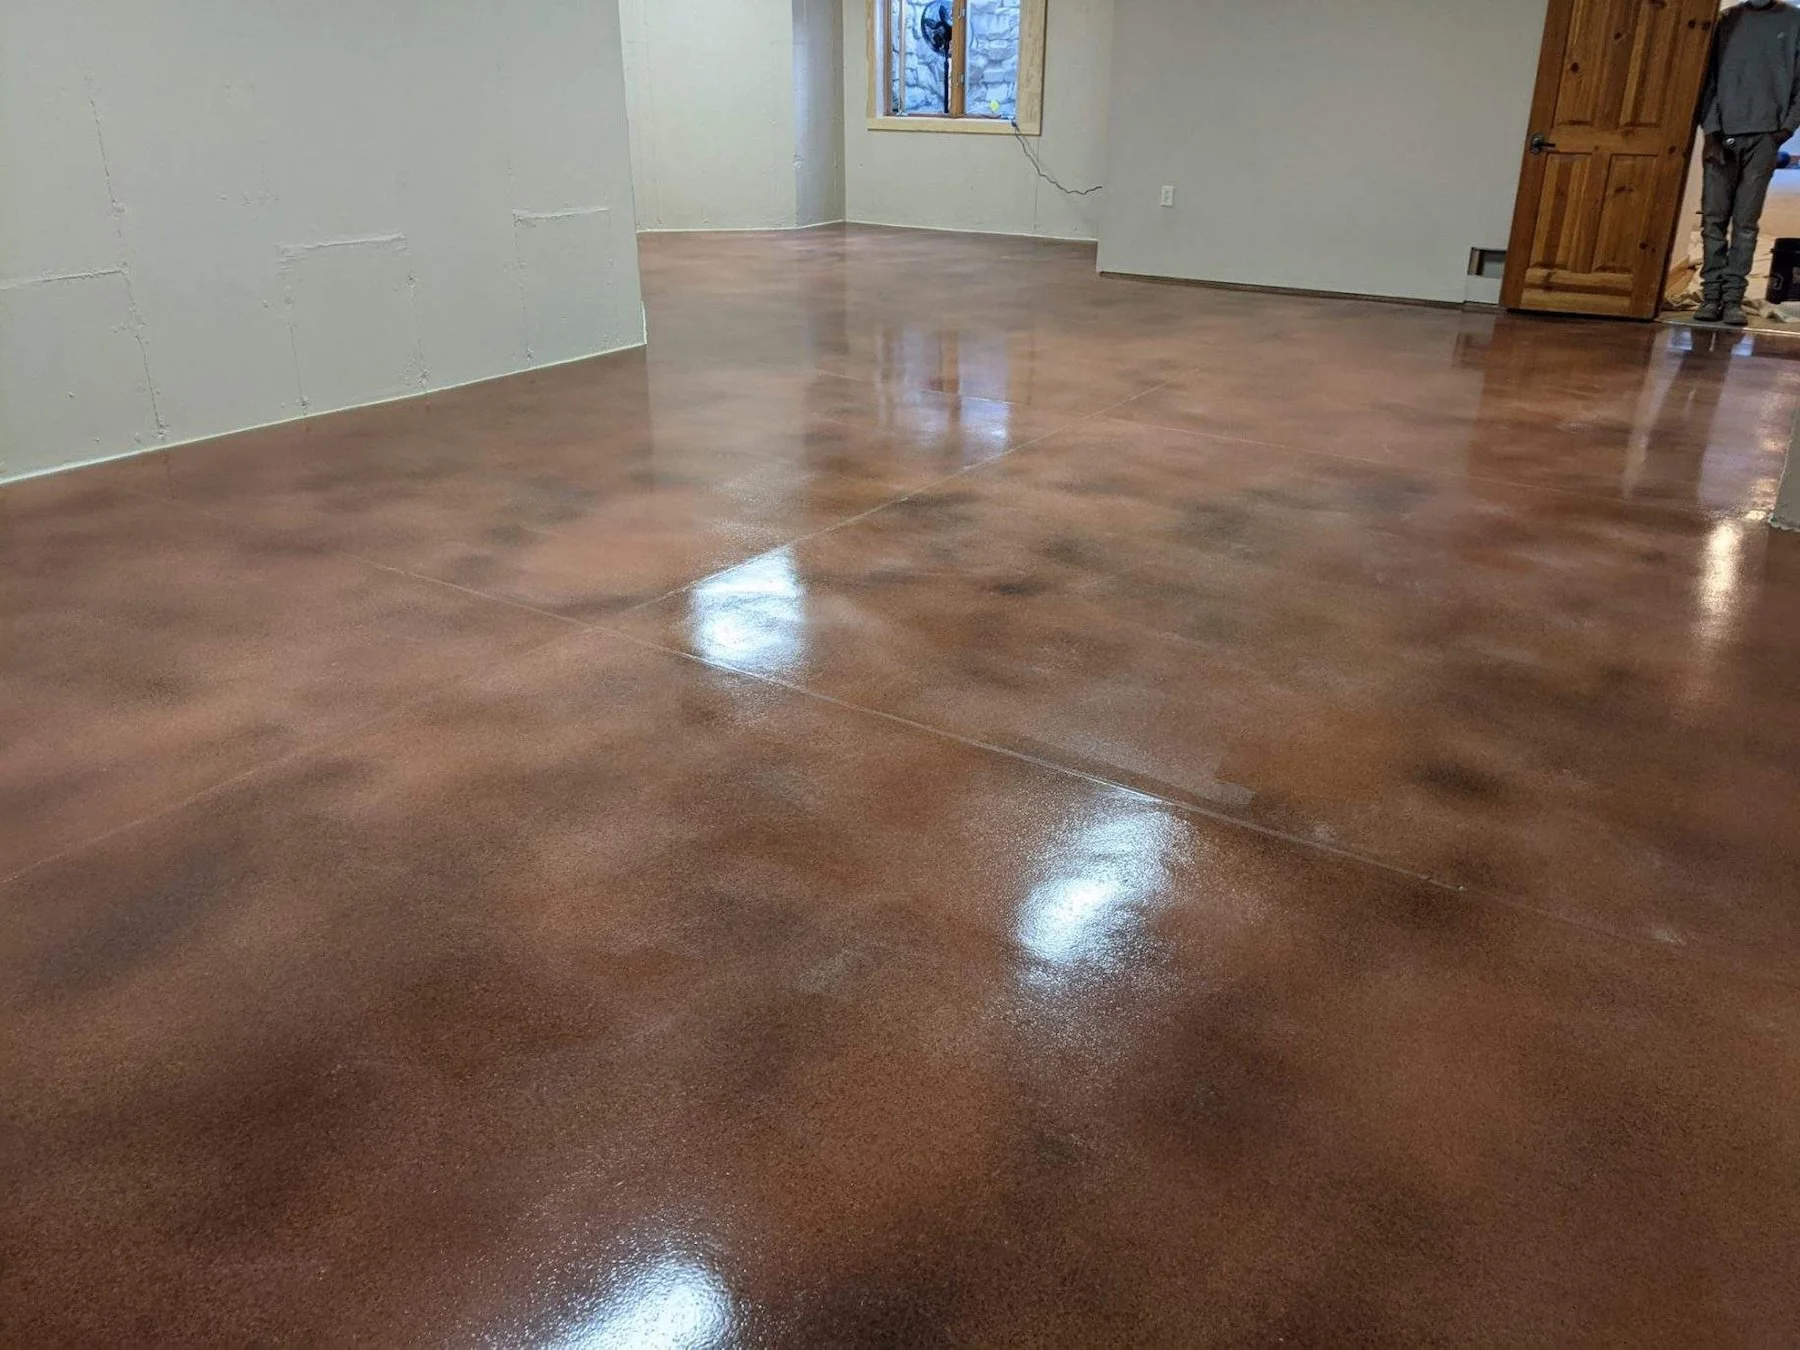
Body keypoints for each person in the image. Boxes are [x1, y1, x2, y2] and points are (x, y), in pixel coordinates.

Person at [1696, 0, 1800, 326]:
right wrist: (1711, 133)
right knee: (1713, 219)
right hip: (1724, 133)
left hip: (1765, 137)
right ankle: (1711, 295)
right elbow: (1707, 79)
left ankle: (1732, 300)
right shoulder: (1727, 20)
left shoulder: (1795, 21)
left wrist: (1785, 129)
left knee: (1745, 223)